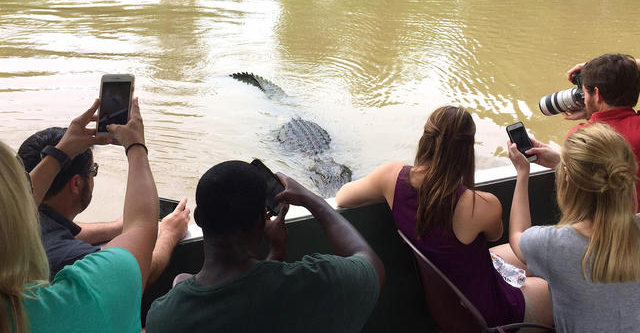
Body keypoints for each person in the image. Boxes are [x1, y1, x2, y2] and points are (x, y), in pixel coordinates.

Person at [335, 105, 553, 327]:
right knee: (558, 287)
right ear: (467, 149)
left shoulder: (390, 177)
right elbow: (514, 242)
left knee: (539, 261)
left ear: (426, 137)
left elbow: (342, 198)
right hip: (489, 311)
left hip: (450, 306)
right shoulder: (481, 205)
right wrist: (523, 173)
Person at [145, 160, 385, 333]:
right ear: (263, 220)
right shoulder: (317, 285)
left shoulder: (166, 318)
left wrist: (275, 254)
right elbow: (371, 265)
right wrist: (312, 199)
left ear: (198, 219)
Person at [0, 98, 159, 333]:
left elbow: (14, 212)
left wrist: (60, 152)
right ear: (76, 183)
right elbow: (142, 226)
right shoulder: (74, 303)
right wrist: (136, 146)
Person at [507, 122, 640, 332]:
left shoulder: (552, 244)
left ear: (567, 176)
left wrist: (523, 172)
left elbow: (517, 235)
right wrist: (565, 165)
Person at [18, 126, 190, 281]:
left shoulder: (14, 224)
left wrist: (118, 227)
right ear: (76, 184)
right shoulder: (70, 257)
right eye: (93, 170)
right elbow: (140, 271)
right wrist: (169, 233)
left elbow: (57, 232)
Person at [528, 54, 640, 199]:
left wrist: (591, 117)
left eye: (584, 91)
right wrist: (625, 67)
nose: (582, 97)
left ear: (597, 94)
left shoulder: (581, 137)